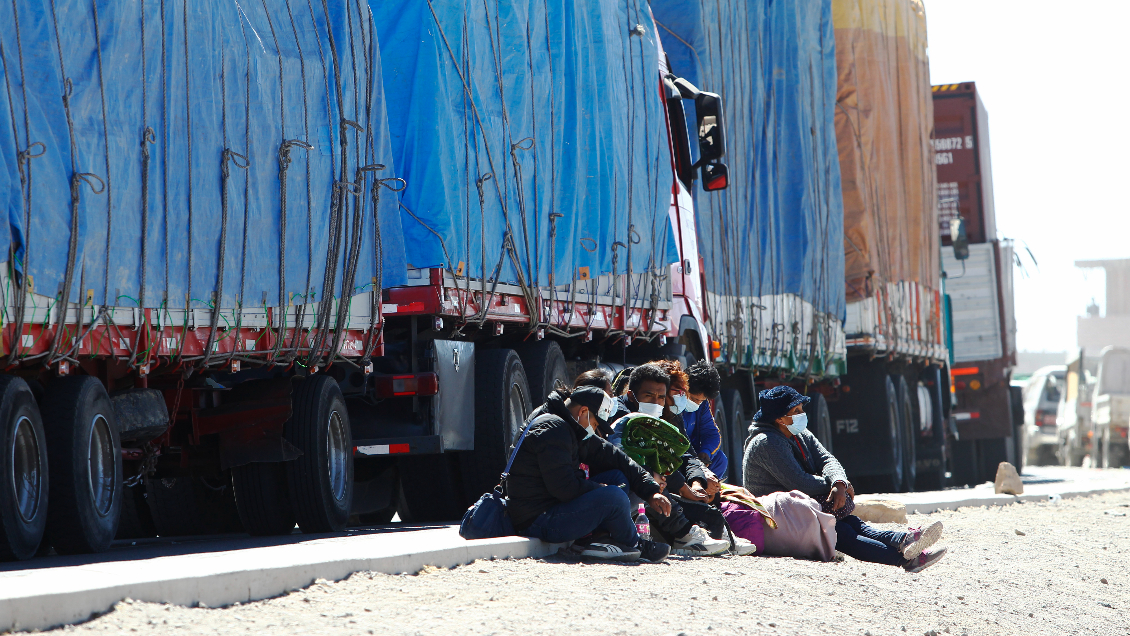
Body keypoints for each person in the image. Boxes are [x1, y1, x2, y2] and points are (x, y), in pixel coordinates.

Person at [743, 385, 946, 573]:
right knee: (842, 532)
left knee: (852, 523)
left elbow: (826, 459)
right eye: (796, 411)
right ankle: (906, 560)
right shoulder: (766, 443)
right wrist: (832, 486)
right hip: (775, 519)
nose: (802, 415)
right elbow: (799, 482)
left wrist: (838, 482)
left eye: (801, 409)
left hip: (799, 508)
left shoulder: (798, 434)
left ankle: (904, 540)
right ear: (779, 419)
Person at [506, 385, 672, 563]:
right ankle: (635, 545)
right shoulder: (553, 429)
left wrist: (651, 490)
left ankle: (602, 540)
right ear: (583, 411)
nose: (595, 429)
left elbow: (617, 458)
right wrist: (601, 489)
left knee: (617, 477)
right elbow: (564, 487)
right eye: (595, 424)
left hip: (552, 506)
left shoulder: (571, 426)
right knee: (613, 496)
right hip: (536, 520)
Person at [608, 364, 730, 556]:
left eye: (661, 397)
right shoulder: (622, 414)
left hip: (659, 480)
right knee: (649, 481)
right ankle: (685, 534)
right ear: (632, 395)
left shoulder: (668, 414)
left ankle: (716, 532)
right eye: (649, 396)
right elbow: (641, 456)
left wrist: (697, 482)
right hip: (623, 482)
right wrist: (682, 486)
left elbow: (686, 452)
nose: (656, 402)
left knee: (711, 475)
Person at [679, 360, 728, 479]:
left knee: (720, 459)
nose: (696, 404)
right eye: (693, 399)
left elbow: (711, 432)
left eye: (700, 401)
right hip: (677, 454)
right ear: (684, 388)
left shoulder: (703, 405)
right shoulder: (673, 402)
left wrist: (705, 452)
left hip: (693, 454)